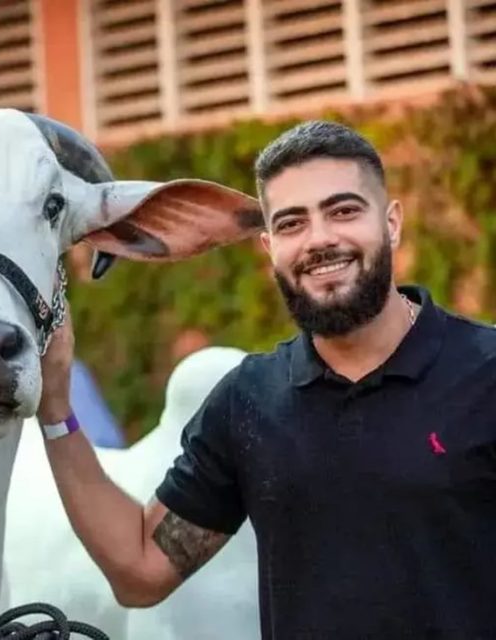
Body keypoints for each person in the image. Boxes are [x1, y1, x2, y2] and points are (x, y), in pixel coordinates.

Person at [36, 121, 496, 638]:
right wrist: (55, 407)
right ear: (269, 245)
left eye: (343, 211)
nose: (320, 239)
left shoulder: (485, 372)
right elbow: (140, 571)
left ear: (391, 223)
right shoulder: (250, 401)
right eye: (293, 223)